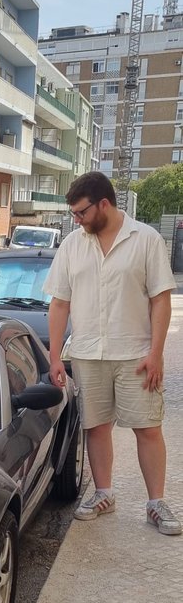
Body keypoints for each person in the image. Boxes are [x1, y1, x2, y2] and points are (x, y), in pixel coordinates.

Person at [44, 171, 180, 536]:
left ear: (104, 204)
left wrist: (157, 352)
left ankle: (156, 502)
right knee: (96, 427)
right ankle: (104, 494)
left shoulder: (146, 239)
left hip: (136, 354)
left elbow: (161, 300)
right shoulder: (73, 244)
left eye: (82, 212)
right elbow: (59, 304)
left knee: (148, 428)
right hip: (88, 353)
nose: (77, 219)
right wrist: (55, 356)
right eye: (73, 213)